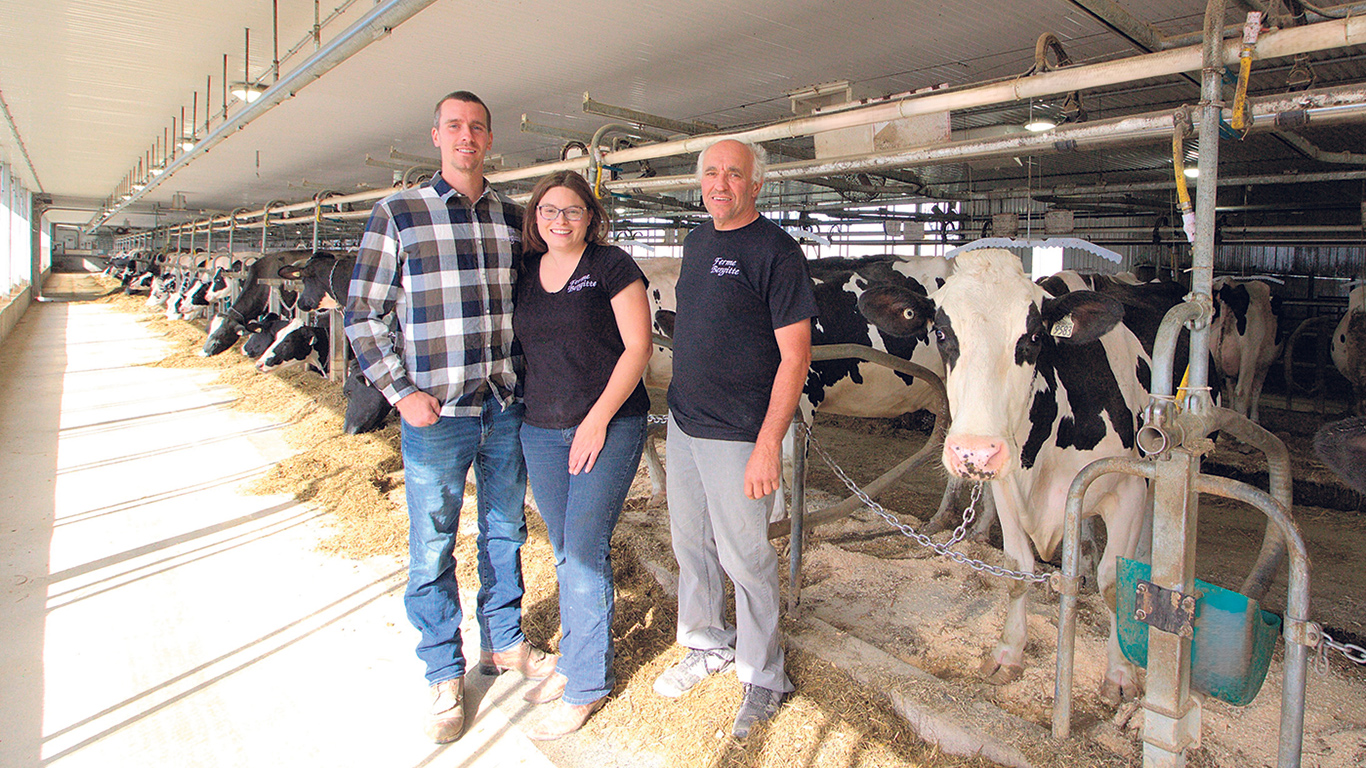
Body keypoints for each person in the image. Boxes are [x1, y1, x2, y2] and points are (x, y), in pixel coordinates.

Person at [345, 90, 556, 745]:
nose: (467, 137)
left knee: (504, 531)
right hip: (435, 415)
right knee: (433, 542)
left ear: (490, 139)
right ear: (436, 135)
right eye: (455, 127)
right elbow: (363, 314)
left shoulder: (512, 218)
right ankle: (442, 668)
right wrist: (399, 391)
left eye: (477, 128)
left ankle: (503, 642)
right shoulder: (398, 214)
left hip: (502, 406)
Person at [654, 139, 816, 738]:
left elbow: (795, 358)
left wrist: (769, 442)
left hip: (740, 436)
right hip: (686, 424)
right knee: (690, 544)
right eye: (711, 173)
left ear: (757, 185)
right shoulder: (697, 243)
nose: (720, 183)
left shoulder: (777, 252)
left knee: (746, 558)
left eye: (734, 174)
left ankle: (764, 673)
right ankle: (705, 642)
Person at [512, 170, 652, 740]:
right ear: (535, 217)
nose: (559, 221)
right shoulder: (524, 270)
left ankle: (587, 683)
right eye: (549, 211)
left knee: (586, 550)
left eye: (571, 211)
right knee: (566, 548)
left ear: (590, 217)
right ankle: (573, 661)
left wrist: (596, 421)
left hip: (609, 424)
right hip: (540, 428)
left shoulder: (612, 265)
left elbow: (639, 348)